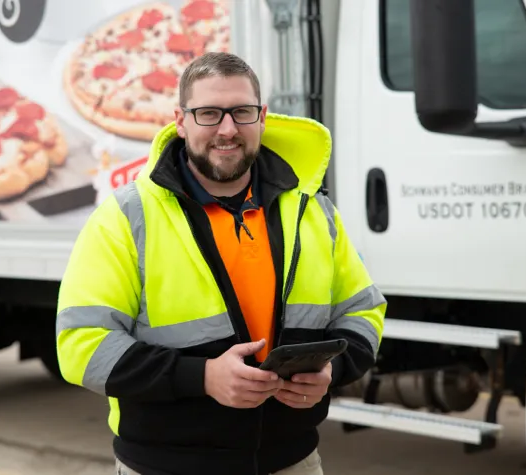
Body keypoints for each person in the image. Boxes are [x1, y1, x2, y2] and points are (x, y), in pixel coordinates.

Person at [55, 52, 387, 475]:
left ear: (262, 117)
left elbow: (363, 310)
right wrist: (202, 377)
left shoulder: (312, 211)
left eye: (242, 113)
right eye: (209, 113)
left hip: (293, 462)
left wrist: (333, 369)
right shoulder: (126, 217)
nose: (227, 130)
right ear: (180, 120)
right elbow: (79, 345)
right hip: (167, 466)